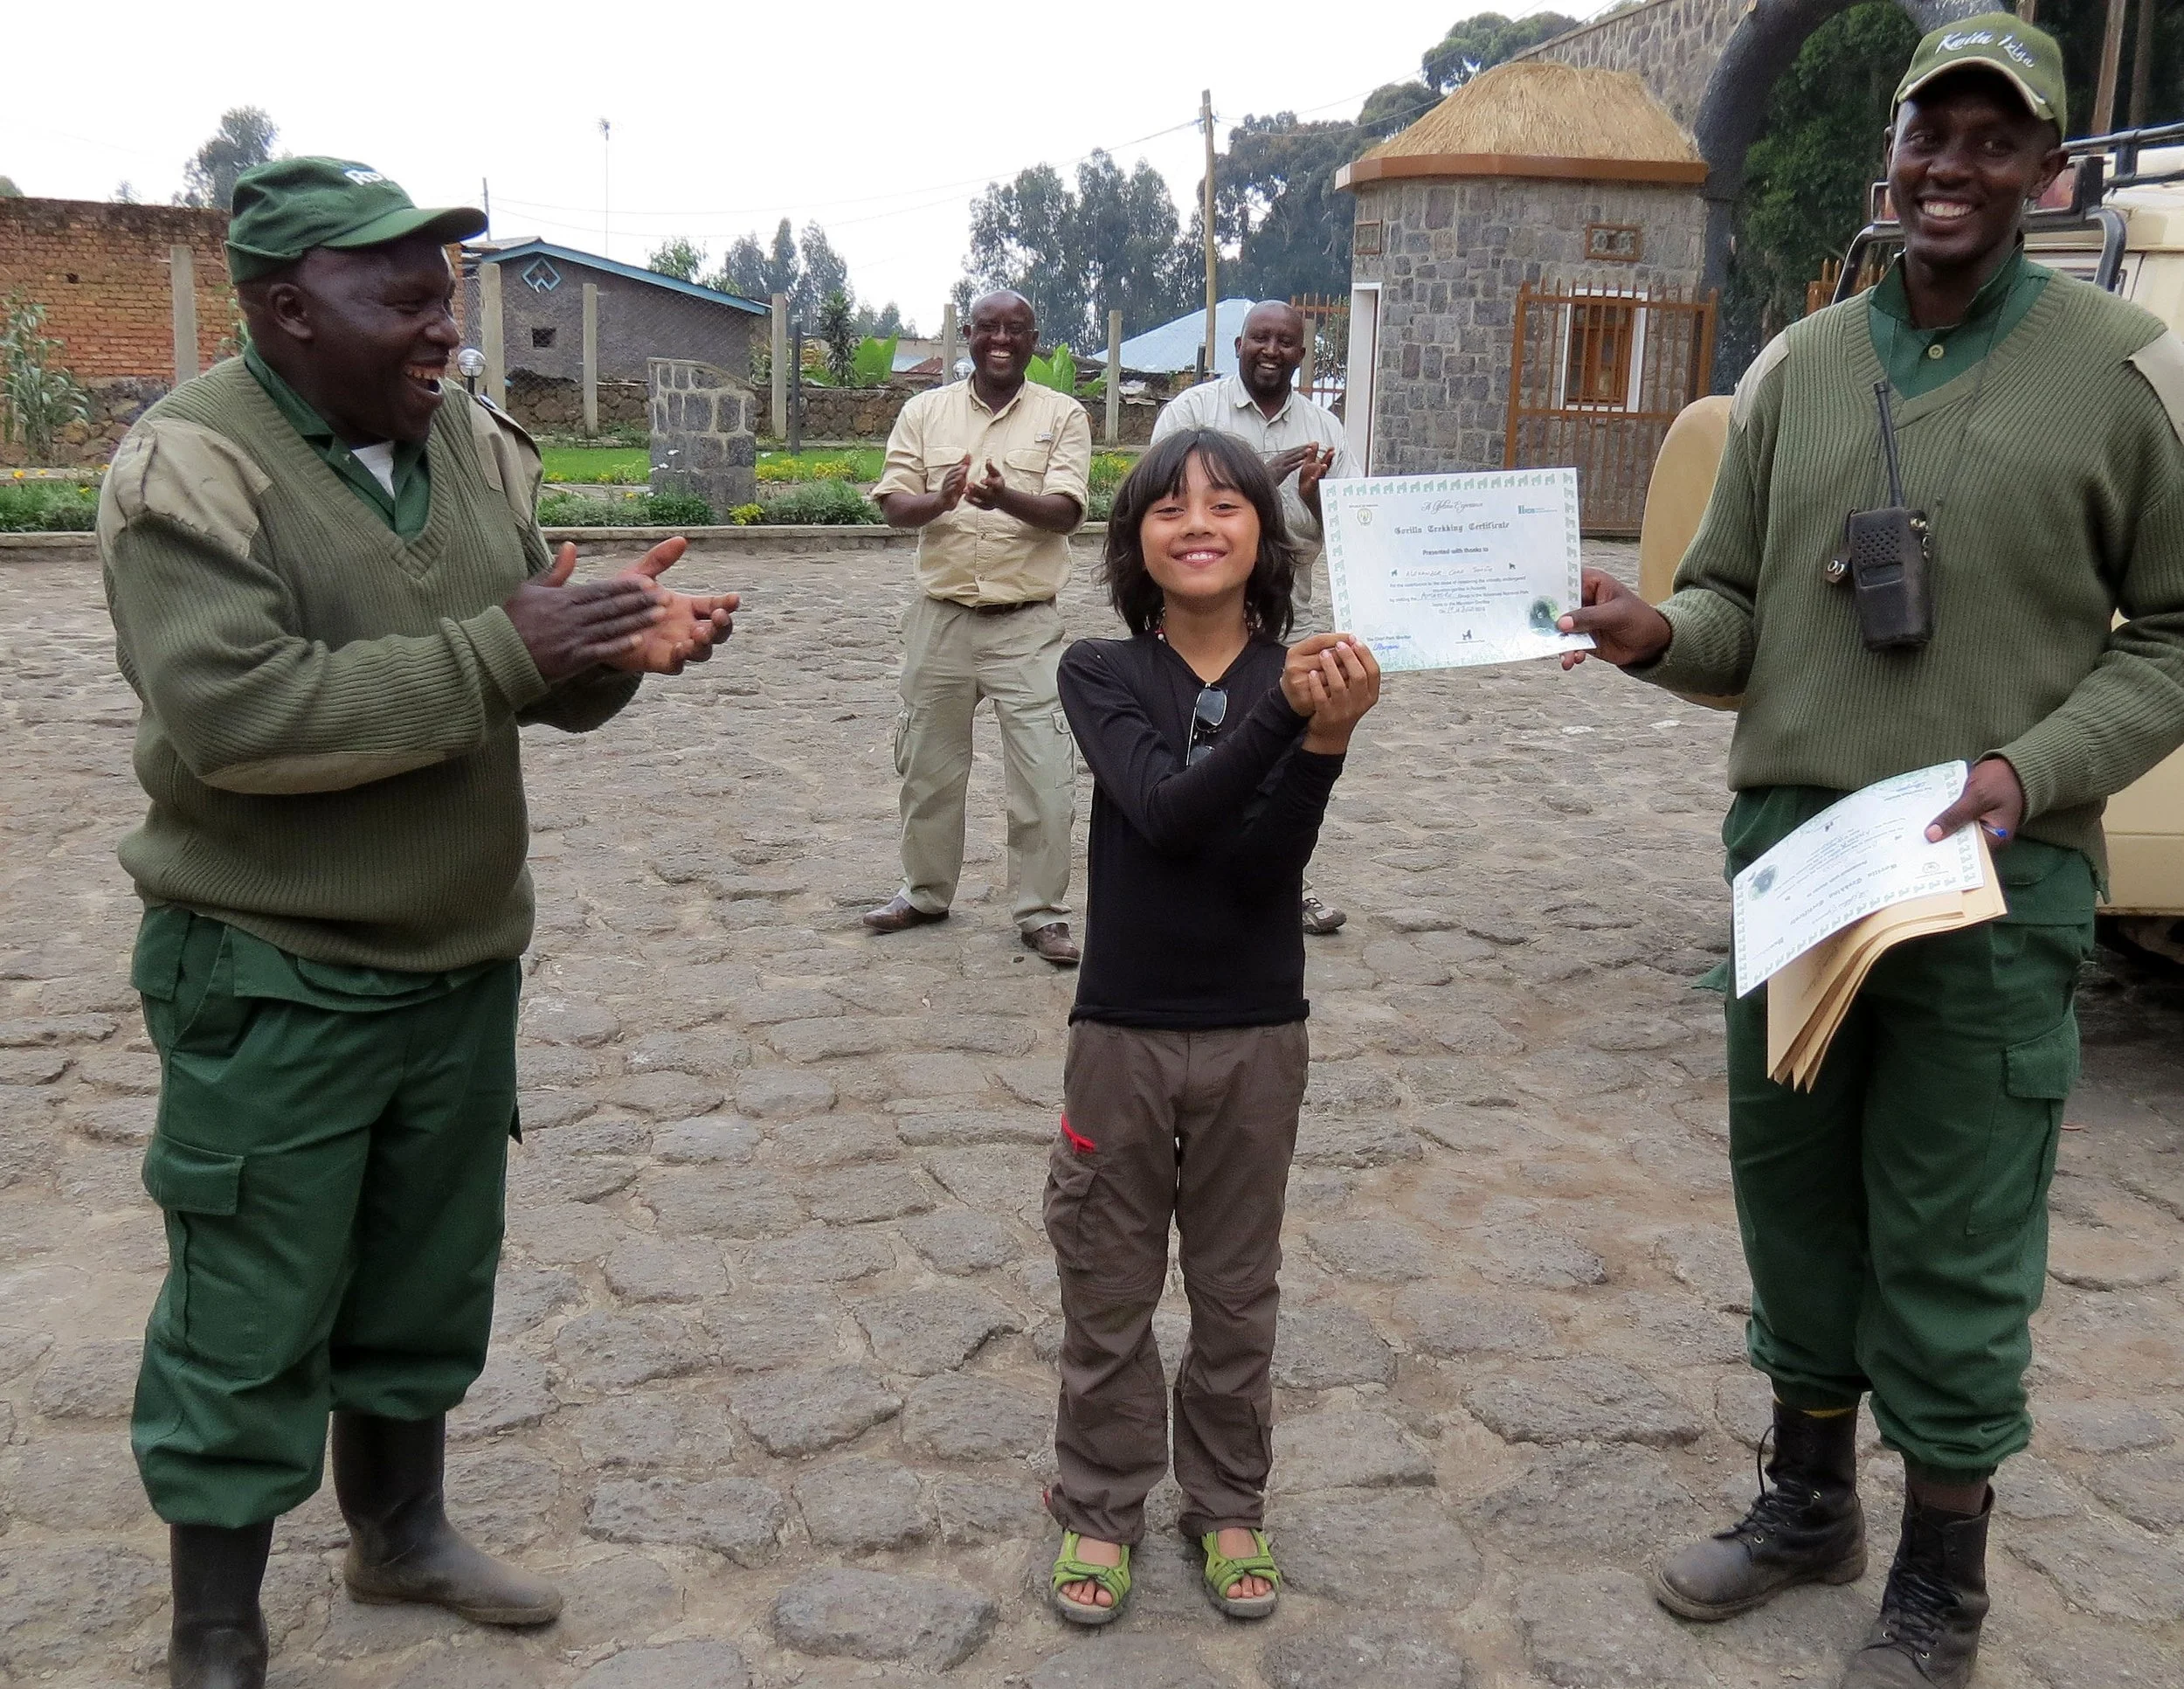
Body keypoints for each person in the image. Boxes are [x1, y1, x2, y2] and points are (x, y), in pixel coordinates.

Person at [1558, 21, 2184, 1688]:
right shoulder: (1798, 372)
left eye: (1996, 140)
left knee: (1959, 1226)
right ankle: (1807, 1499)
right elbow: (1736, 614)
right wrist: (1647, 629)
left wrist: (2028, 766)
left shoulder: (2121, 373)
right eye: (1931, 134)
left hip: (1993, 872)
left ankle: (1942, 1578)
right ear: (1888, 159)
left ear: (2049, 172)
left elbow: (2177, 637)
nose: (1954, 166)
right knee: (1797, 1195)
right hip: (1807, 864)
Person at [102, 157, 736, 1689]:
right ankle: (213, 1626)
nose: (439, 324)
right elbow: (236, 717)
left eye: (439, 287)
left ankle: (400, 1531)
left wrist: (608, 650)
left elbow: (524, 673)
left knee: (424, 1273)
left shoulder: (473, 444)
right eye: (396, 293)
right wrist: (509, 647)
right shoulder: (189, 468)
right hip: (274, 970)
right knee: (250, 1305)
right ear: (281, 306)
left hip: (458, 961)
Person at [1040, 428, 1380, 1624]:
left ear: (1263, 537)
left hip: (1256, 1034)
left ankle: (1230, 1500)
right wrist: (1289, 719)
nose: (1198, 521)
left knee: (1239, 1294)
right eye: (1169, 506)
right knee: (1108, 1286)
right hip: (1122, 1034)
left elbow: (1264, 864)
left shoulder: (1300, 673)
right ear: (1135, 543)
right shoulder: (1101, 672)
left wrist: (1324, 737)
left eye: (1227, 503)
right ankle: (1097, 1505)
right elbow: (1167, 814)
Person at [865, 290, 1094, 965]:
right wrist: (938, 500)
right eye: (988, 327)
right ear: (967, 334)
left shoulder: (1063, 417)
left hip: (1026, 626)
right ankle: (925, 891)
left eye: (1015, 328)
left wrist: (1005, 498)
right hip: (941, 622)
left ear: (1034, 339)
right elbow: (893, 504)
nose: (1001, 338)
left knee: (1045, 777)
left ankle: (1042, 913)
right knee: (928, 771)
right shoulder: (924, 412)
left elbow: (1066, 512)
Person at [1153, 300, 1358, 935]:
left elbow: (1351, 530)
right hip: (1198, 610)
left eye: (1286, 341)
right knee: (1192, 739)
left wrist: (1318, 499)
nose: (1272, 350)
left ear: (1302, 353)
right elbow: (1157, 500)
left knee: (1285, 752)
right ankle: (1180, 874)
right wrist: (1258, 478)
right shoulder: (1193, 414)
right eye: (1260, 338)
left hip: (1286, 609)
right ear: (1237, 344)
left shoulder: (1326, 427)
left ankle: (1281, 883)